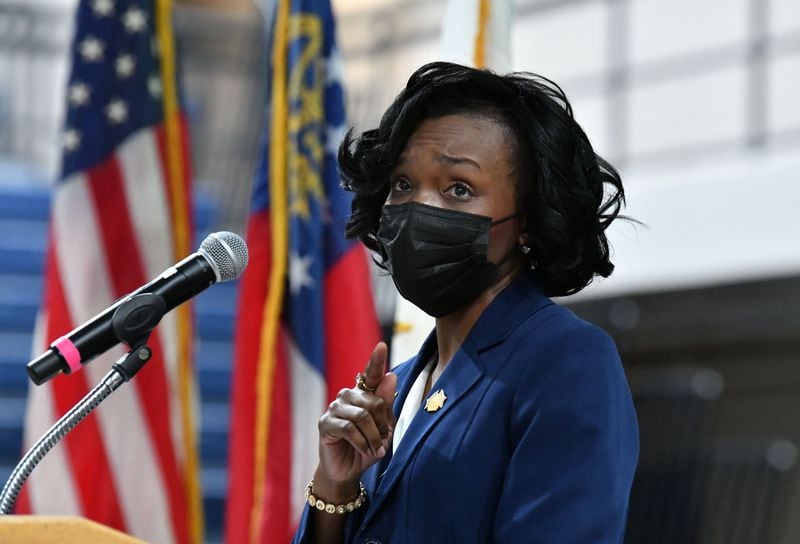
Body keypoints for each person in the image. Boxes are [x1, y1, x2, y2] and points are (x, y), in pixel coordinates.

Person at [293, 61, 639, 544]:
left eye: (459, 189)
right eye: (403, 184)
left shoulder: (566, 361)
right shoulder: (406, 377)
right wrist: (336, 483)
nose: (420, 208)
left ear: (527, 224)